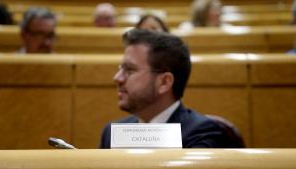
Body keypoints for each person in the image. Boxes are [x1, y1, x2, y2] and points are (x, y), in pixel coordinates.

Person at [99, 29, 244, 148]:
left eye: (129, 70)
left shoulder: (202, 134)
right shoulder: (111, 132)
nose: (117, 78)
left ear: (164, 83)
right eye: (121, 68)